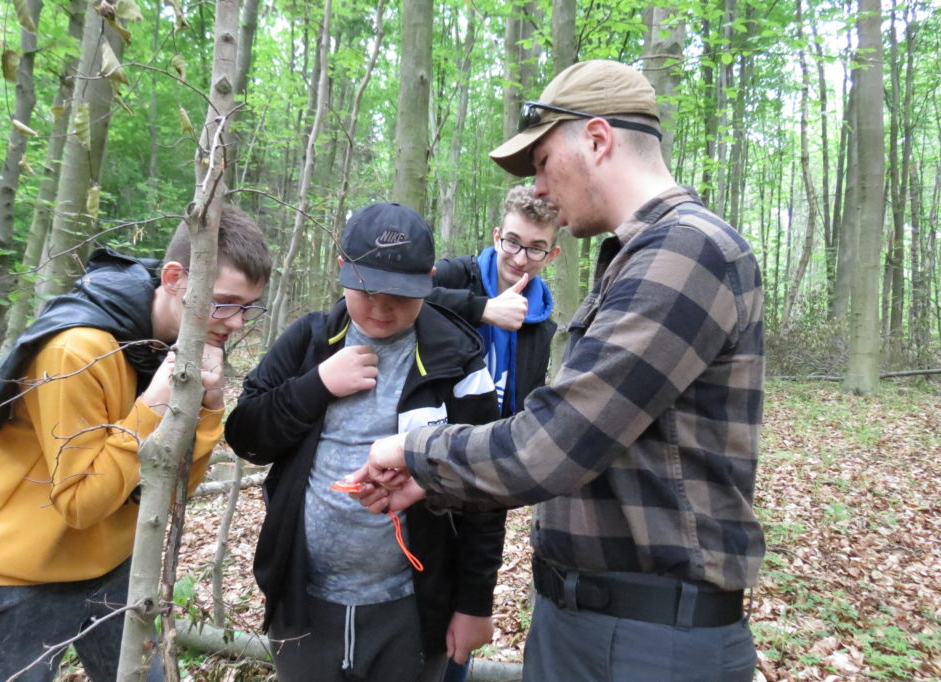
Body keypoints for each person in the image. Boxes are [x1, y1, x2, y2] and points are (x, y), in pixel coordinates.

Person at [352, 60, 765, 682]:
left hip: (648, 640)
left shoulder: (686, 252)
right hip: (598, 623)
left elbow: (555, 442)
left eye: (543, 162)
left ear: (597, 139)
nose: (539, 189)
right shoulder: (640, 257)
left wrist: (413, 451)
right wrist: (431, 481)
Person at [0, 206, 272, 682]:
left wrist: (208, 409)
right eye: (225, 302)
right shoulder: (77, 350)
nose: (237, 323)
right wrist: (153, 407)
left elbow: (174, 491)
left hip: (115, 565)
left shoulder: (170, 348)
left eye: (249, 307)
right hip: (18, 573)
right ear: (175, 278)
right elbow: (80, 503)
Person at [224, 202, 505, 682]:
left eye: (401, 294)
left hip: (413, 607)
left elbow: (485, 488)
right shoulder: (310, 341)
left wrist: (474, 603)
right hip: (303, 600)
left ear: (429, 281)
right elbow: (247, 437)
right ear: (342, 271)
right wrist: (316, 385)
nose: (381, 308)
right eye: (367, 289)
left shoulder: (457, 361)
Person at [428, 184, 560, 418]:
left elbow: (527, 407)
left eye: (536, 249)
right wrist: (480, 309)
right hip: (435, 433)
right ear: (497, 237)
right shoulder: (456, 276)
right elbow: (401, 293)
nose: (520, 260)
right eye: (513, 241)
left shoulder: (542, 326)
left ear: (551, 256)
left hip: (497, 437)